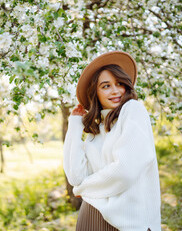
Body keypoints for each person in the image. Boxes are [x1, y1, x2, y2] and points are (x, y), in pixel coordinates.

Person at [63, 51, 161, 231]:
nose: (115, 91)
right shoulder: (96, 130)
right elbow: (75, 177)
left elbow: (124, 170)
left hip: (130, 223)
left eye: (119, 84)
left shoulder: (133, 110)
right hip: (91, 216)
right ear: (96, 92)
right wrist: (75, 125)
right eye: (106, 86)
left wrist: (83, 189)